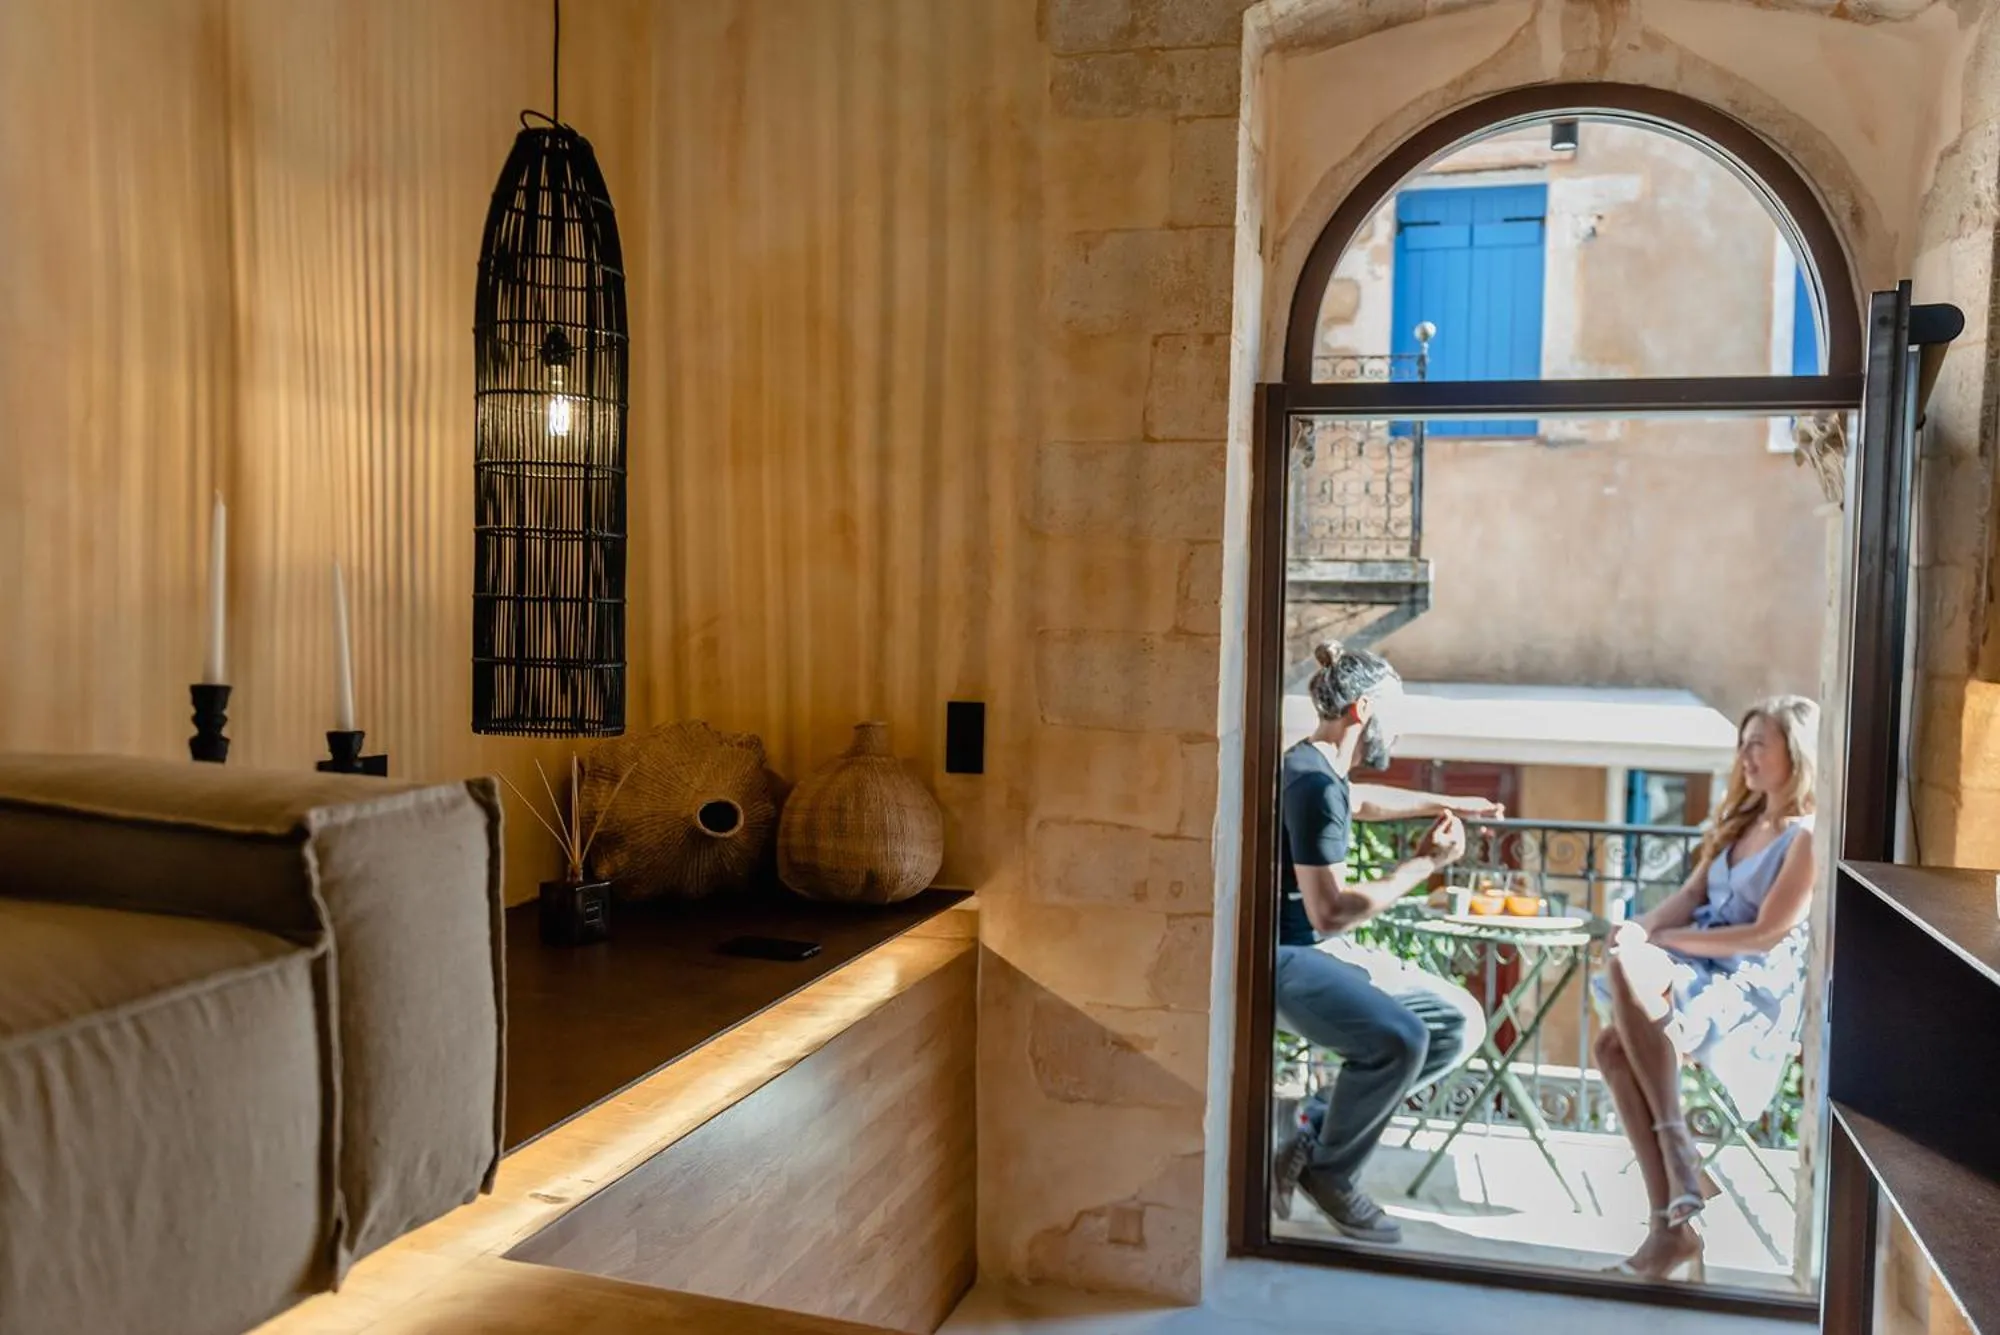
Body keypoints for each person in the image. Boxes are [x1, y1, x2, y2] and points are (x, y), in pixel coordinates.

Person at [1271, 641, 1498, 1243]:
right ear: (1363, 710)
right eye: (1394, 717)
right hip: (1286, 956)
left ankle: (1312, 1130)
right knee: (1403, 1038)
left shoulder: (1316, 767)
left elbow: (1364, 800)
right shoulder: (1312, 784)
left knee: (1459, 1020)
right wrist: (1425, 865)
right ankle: (1330, 1174)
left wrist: (1449, 802)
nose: (1398, 732)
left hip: (1310, 949)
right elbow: (1329, 913)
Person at [1593, 695, 1819, 1282]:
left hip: (1747, 985)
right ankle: (1674, 1220)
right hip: (1695, 965)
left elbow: (1767, 932)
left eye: (1758, 744)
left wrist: (1667, 939)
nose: (1745, 756)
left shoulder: (1806, 837)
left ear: (1795, 753)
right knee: (1613, 1032)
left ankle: (1676, 1168)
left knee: (1617, 1034)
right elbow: (1691, 895)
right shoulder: (1741, 822)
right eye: (1742, 744)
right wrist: (1640, 928)